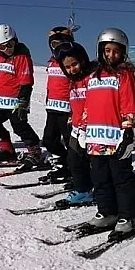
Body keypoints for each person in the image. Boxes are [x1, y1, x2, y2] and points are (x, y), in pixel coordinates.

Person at [81, 28, 135, 239]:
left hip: (116, 137)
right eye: (107, 50)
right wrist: (82, 127)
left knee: (121, 177)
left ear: (123, 53)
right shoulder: (92, 75)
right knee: (99, 177)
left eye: (116, 51)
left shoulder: (124, 74)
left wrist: (128, 131)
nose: (111, 55)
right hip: (95, 137)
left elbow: (129, 104)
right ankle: (108, 211)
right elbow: (87, 104)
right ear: (100, 50)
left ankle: (130, 215)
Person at [0, 24, 43, 165]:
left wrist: (23, 101)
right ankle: (6, 149)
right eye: (1, 47)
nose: (6, 49)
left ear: (15, 40)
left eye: (9, 45)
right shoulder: (0, 58)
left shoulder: (21, 57)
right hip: (0, 102)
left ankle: (35, 151)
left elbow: (26, 81)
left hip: (16, 101)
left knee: (19, 126)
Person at [54, 42, 95, 204]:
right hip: (77, 129)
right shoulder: (73, 82)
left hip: (91, 129)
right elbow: (75, 104)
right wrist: (72, 119)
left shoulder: (91, 79)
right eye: (67, 67)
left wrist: (85, 125)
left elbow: (93, 105)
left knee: (94, 163)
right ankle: (84, 189)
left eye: (75, 64)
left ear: (83, 60)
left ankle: (96, 189)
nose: (72, 69)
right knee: (74, 161)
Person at [40, 27, 76, 182]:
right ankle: (64, 163)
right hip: (53, 107)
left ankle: (77, 170)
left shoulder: (72, 62)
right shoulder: (52, 61)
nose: (59, 47)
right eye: (55, 44)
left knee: (72, 143)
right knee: (49, 139)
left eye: (63, 43)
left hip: (68, 109)